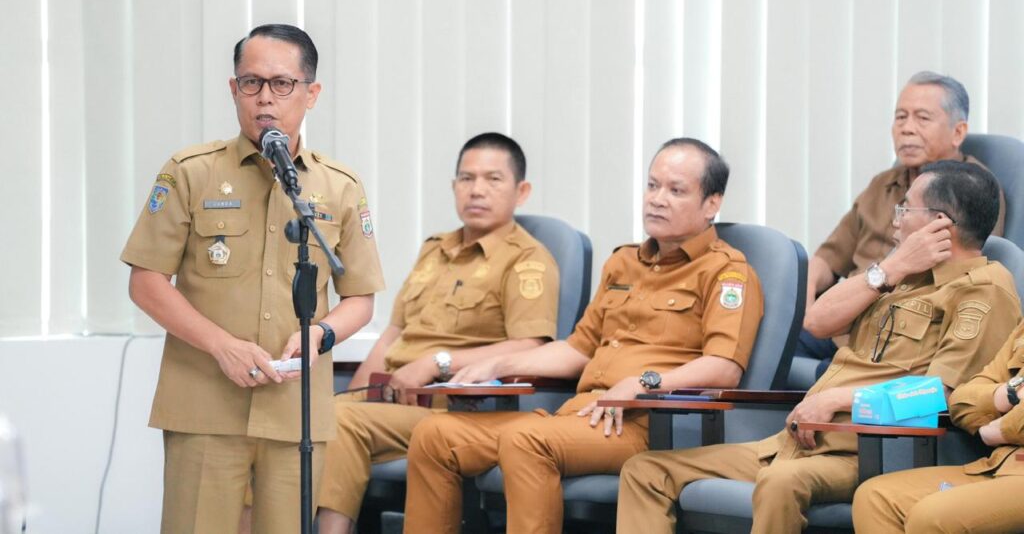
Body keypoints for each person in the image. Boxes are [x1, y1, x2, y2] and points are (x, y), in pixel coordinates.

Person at [616, 160, 1020, 534]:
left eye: (906, 208)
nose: (895, 219)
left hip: (869, 451)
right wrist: (891, 268)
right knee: (645, 471)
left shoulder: (983, 289)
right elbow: (817, 322)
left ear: (939, 224)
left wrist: (836, 400)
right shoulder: (900, 274)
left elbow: (939, 395)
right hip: (795, 441)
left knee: (780, 482)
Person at [402, 138, 765, 534]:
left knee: (526, 440)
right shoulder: (623, 262)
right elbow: (578, 349)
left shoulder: (727, 272)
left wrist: (644, 383)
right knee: (435, 434)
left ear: (711, 204)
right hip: (580, 415)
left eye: (676, 190)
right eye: (652, 185)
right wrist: (497, 364)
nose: (657, 199)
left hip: (647, 423)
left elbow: (724, 368)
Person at [120, 24, 386, 534]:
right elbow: (146, 282)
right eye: (251, 83)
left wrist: (319, 334)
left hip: (295, 413)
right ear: (234, 89)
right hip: (205, 406)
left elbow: (359, 298)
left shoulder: (339, 186)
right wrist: (222, 346)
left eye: (282, 84)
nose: (265, 98)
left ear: (311, 93)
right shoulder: (190, 171)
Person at [315, 133, 559, 534]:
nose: (476, 190)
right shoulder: (435, 250)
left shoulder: (527, 259)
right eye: (467, 178)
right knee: (305, 417)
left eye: (493, 179)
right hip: (392, 403)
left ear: (522, 191)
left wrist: (436, 363)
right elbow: (393, 334)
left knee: (340, 420)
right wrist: (355, 395)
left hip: (453, 409)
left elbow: (530, 345)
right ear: (453, 186)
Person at [798, 71, 1006, 371]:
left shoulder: (972, 193)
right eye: (900, 117)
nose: (907, 129)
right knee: (770, 343)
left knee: (832, 375)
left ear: (958, 132)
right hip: (845, 314)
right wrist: (805, 298)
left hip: (895, 330)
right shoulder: (881, 184)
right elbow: (827, 260)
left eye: (922, 118)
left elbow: (955, 268)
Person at [852, 318, 1024, 533]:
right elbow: (961, 403)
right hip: (999, 465)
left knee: (930, 516)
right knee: (875, 497)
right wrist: (1011, 392)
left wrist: (999, 430)